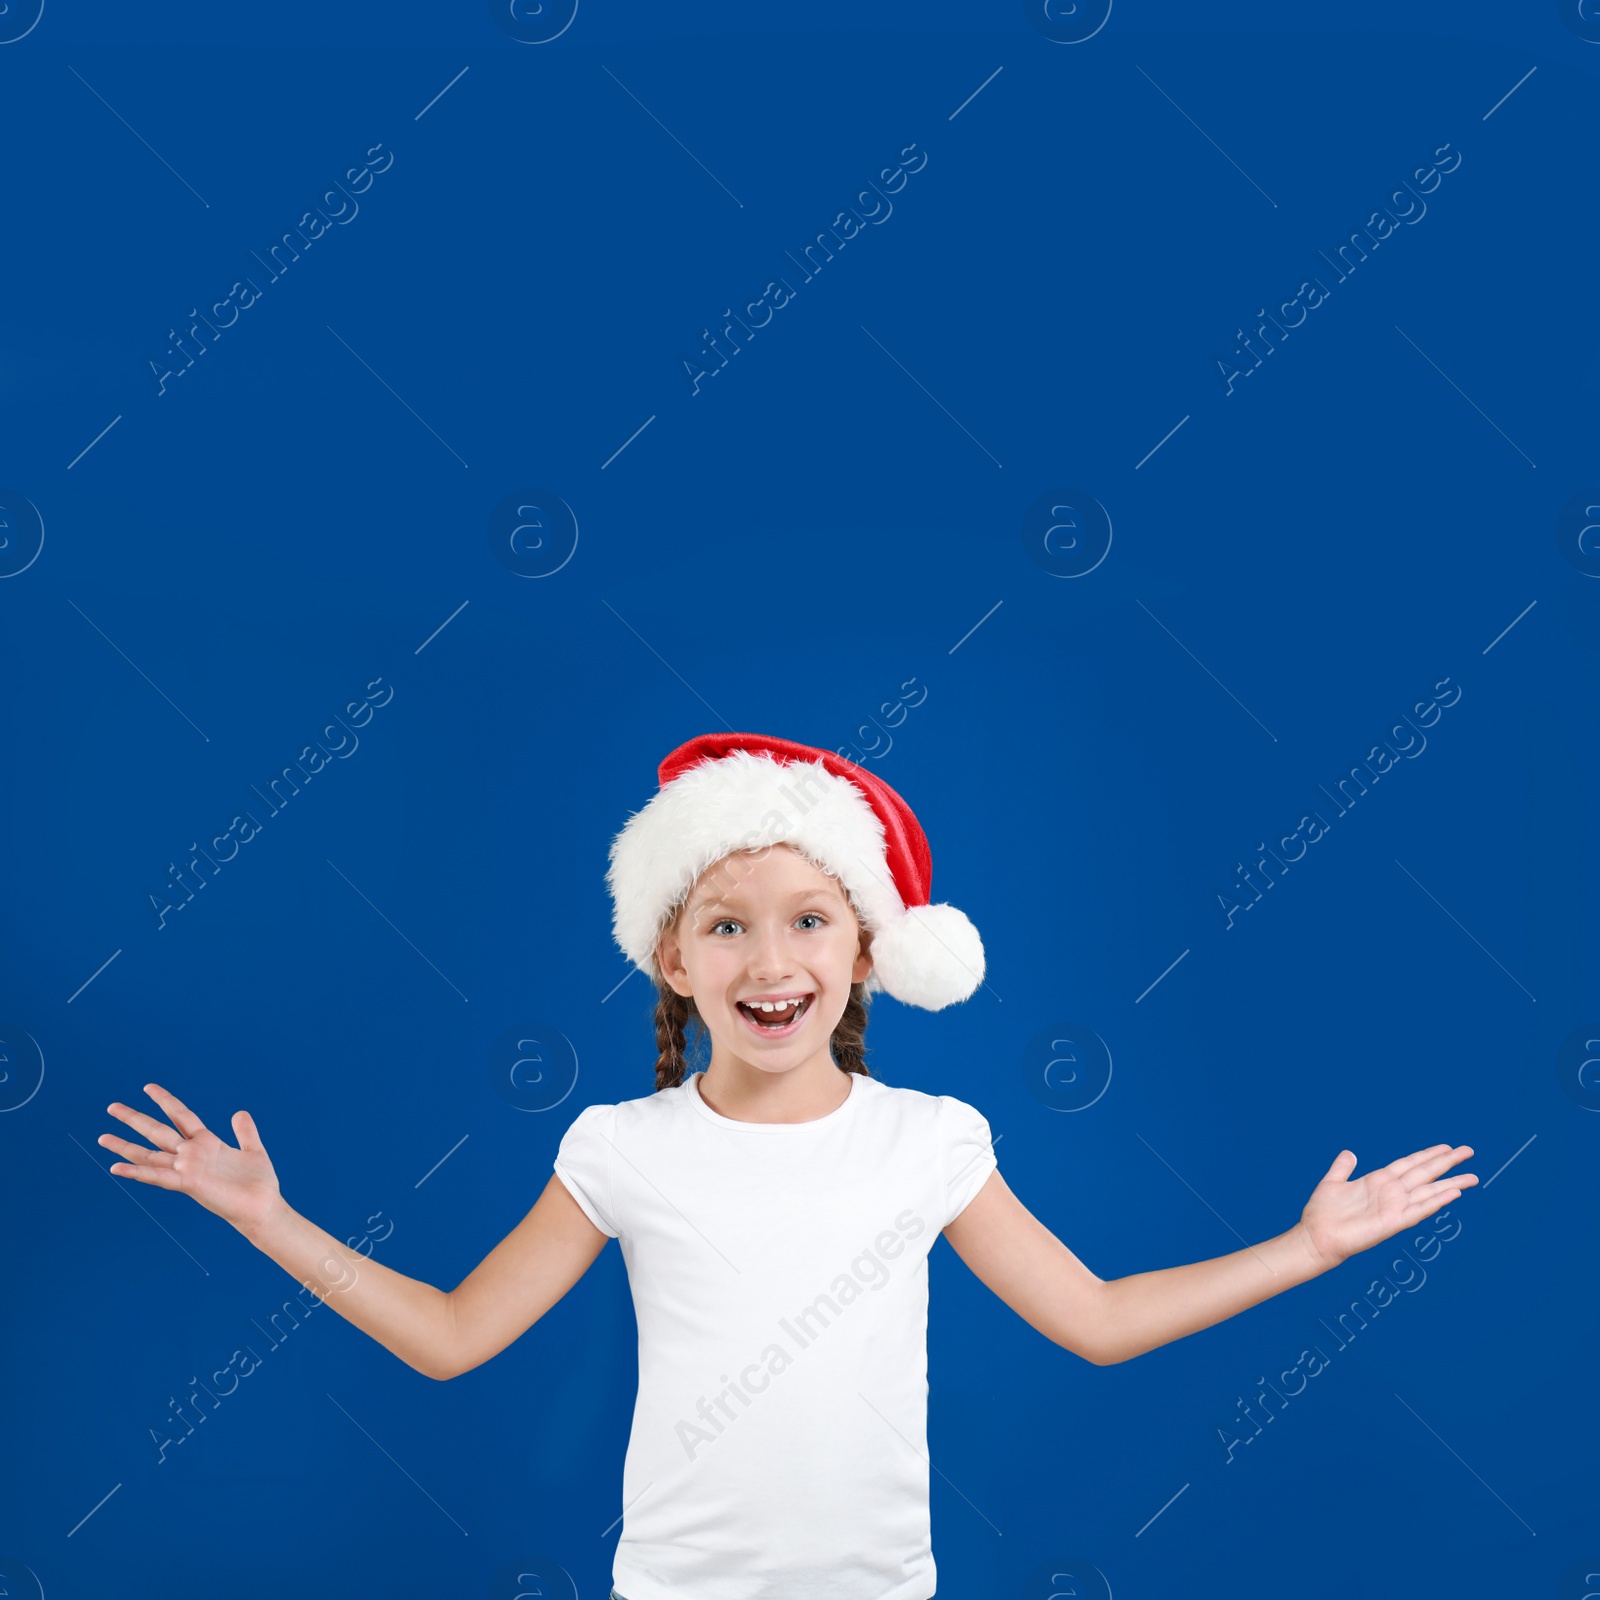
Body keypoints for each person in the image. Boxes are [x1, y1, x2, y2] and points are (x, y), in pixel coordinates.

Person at [99, 731, 1477, 1600]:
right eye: (727, 926)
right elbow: (456, 1338)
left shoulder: (931, 1140)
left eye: (811, 919)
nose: (772, 961)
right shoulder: (618, 1149)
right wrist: (268, 1217)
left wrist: (1308, 1249)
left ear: (864, 950)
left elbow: (1098, 1322)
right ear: (673, 959)